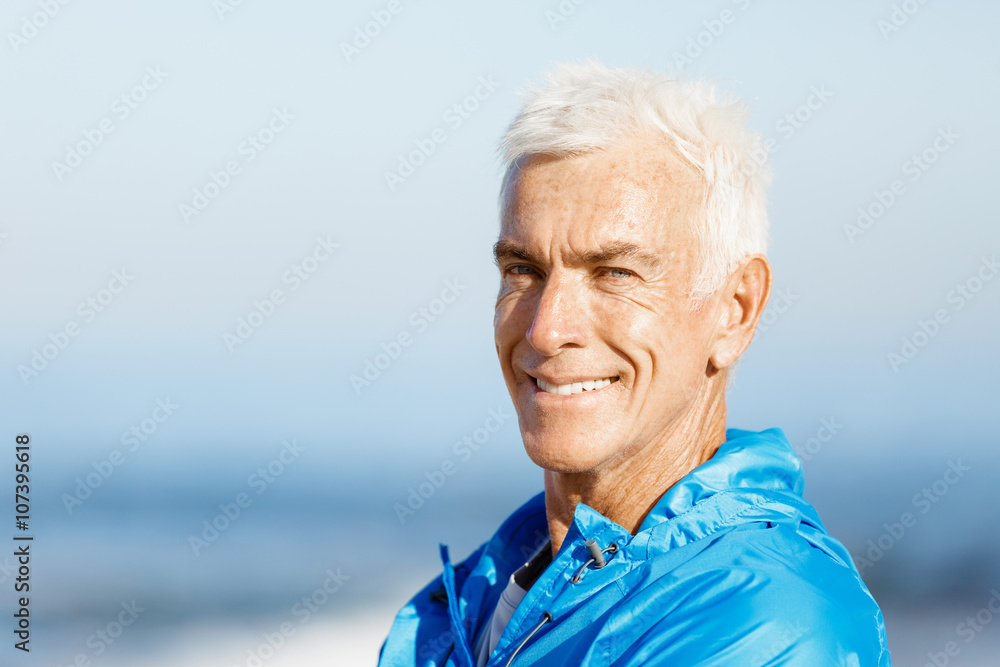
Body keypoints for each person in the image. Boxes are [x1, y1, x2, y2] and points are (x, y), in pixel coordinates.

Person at [378, 60, 891, 666]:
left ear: (735, 309)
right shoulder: (478, 594)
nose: (547, 329)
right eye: (524, 270)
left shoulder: (769, 622)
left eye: (614, 273)